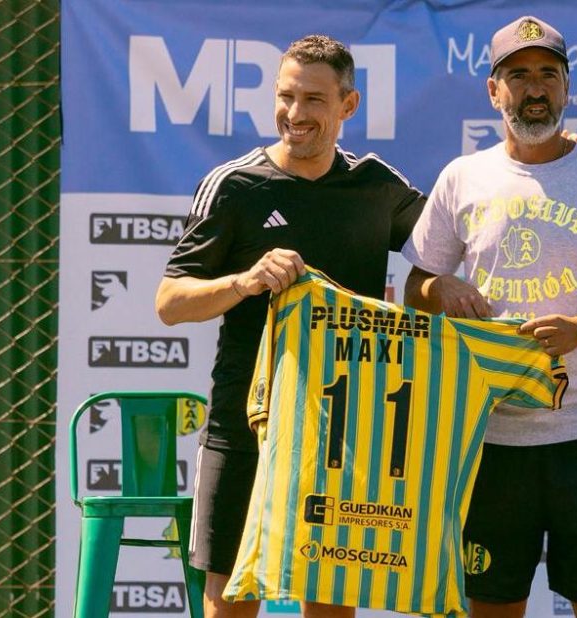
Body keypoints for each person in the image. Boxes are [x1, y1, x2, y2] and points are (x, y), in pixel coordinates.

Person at [402, 15, 577, 618]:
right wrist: (442, 287)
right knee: (492, 605)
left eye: (548, 73)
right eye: (518, 75)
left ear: (568, 87)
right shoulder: (462, 177)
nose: (535, 88)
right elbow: (415, 288)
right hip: (489, 433)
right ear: (493, 91)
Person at [155, 35, 425, 618]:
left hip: (344, 433)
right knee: (230, 602)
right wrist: (245, 281)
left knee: (330, 604)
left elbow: (456, 234)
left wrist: (556, 155)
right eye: (285, 96)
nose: (295, 113)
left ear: (348, 105)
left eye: (313, 100)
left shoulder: (377, 185)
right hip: (245, 427)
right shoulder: (234, 185)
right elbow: (170, 302)